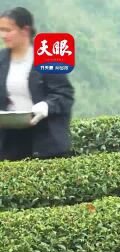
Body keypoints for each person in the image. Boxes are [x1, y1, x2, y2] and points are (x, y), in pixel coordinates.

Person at [0, 7, 74, 161]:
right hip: (11, 141)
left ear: (25, 30)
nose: (3, 35)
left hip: (45, 141)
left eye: (8, 30)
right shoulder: (2, 60)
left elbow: (64, 94)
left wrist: (46, 106)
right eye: (1, 30)